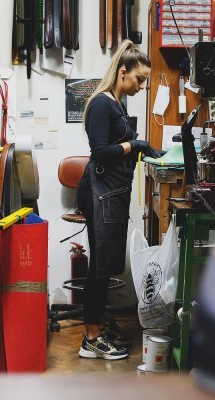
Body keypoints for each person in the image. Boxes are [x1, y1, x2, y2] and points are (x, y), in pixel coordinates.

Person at [76, 40, 155, 360]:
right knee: (100, 267)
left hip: (112, 192)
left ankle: (96, 327)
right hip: (98, 192)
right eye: (139, 79)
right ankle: (90, 340)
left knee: (105, 265)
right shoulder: (101, 104)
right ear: (123, 72)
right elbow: (99, 153)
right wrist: (133, 146)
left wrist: (142, 148)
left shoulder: (117, 105)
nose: (142, 85)